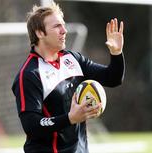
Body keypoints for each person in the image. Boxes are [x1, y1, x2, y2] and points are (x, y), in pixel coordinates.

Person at [12, 2, 125, 153]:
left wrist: (116, 53)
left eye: (63, 25)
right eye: (57, 26)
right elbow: (31, 125)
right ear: (39, 32)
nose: (64, 30)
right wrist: (70, 118)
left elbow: (113, 79)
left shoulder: (73, 59)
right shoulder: (29, 74)